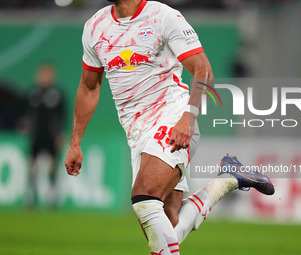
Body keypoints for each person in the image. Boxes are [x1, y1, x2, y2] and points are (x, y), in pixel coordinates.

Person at [64, 0, 274, 254]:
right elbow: (89, 87)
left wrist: (188, 116)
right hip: (136, 132)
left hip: (172, 117)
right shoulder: (95, 26)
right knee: (168, 222)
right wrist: (75, 142)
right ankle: (228, 179)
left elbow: (203, 70)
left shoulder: (163, 16)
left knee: (144, 198)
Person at [27, 63, 65, 208]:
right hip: (36, 135)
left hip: (51, 135)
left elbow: (62, 115)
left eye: (47, 74)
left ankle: (52, 194)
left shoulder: (57, 94)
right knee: (32, 163)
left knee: (53, 163)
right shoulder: (33, 93)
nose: (45, 78)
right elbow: (26, 112)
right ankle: (31, 194)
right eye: (42, 74)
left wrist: (60, 133)